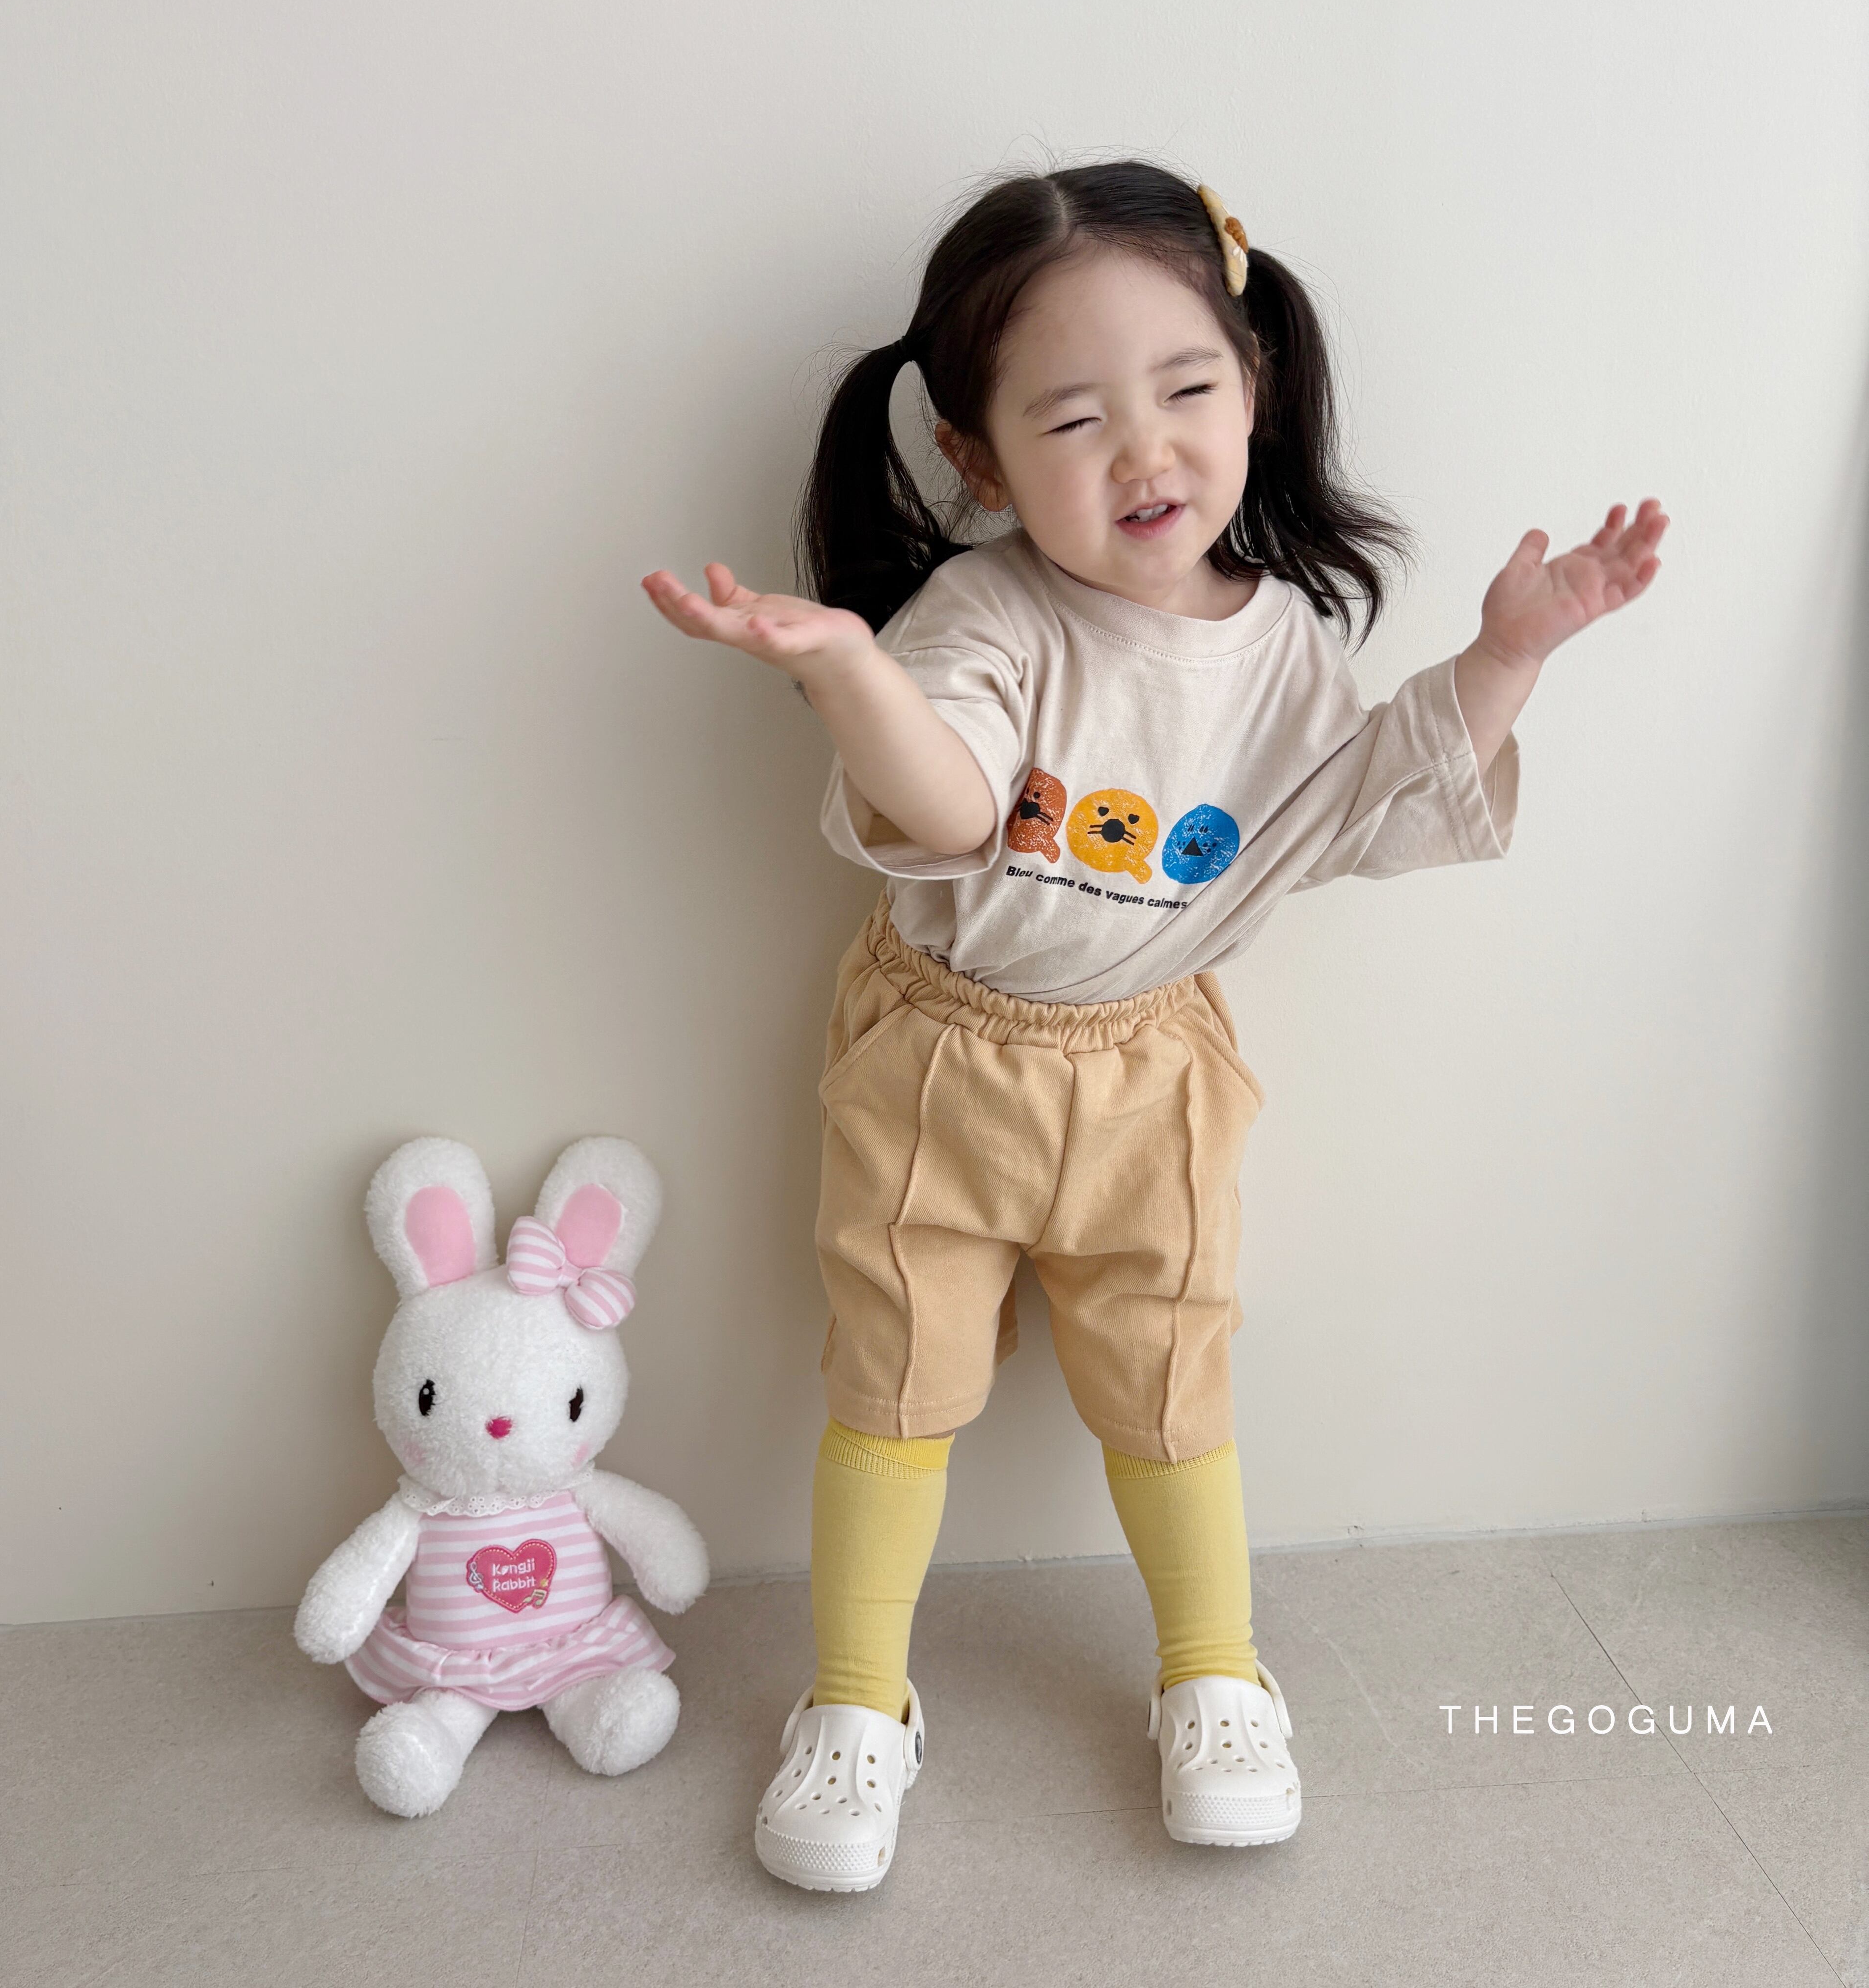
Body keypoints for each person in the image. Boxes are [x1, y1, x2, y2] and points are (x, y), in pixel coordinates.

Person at [642, 159, 1666, 1893]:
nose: (1147, 453)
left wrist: (1510, 657)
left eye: (1187, 390)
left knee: (1173, 1368)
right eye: (1074, 419)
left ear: (1252, 386)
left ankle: (1215, 1673)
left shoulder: (1282, 651)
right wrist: (850, 671)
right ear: (976, 458)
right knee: (894, 1377)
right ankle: (857, 1699)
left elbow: (1371, 805)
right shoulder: (986, 615)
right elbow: (949, 810)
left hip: (1155, 1072)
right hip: (941, 1058)